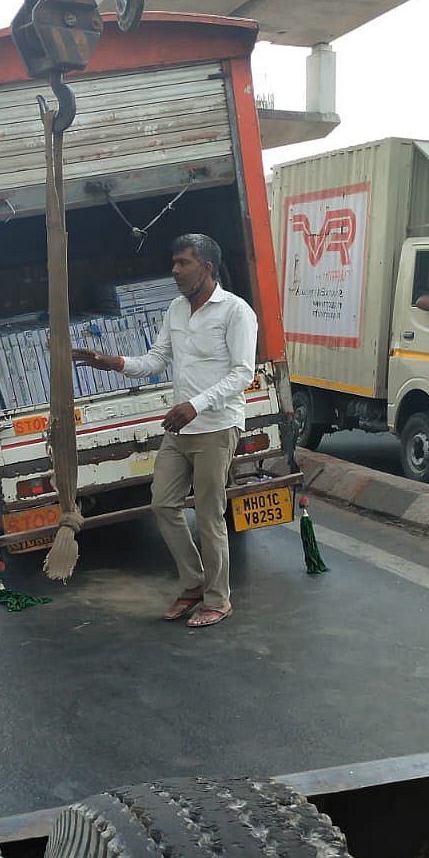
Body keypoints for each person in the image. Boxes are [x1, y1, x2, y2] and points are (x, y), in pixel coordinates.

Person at [72, 234, 257, 627]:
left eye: (183, 263)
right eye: (174, 262)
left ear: (205, 268)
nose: (174, 270)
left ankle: (217, 599)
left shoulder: (236, 311)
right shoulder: (176, 308)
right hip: (180, 427)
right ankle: (192, 584)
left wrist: (196, 405)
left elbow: (243, 373)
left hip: (216, 426)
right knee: (163, 504)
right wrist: (114, 362)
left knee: (209, 516)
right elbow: (157, 359)